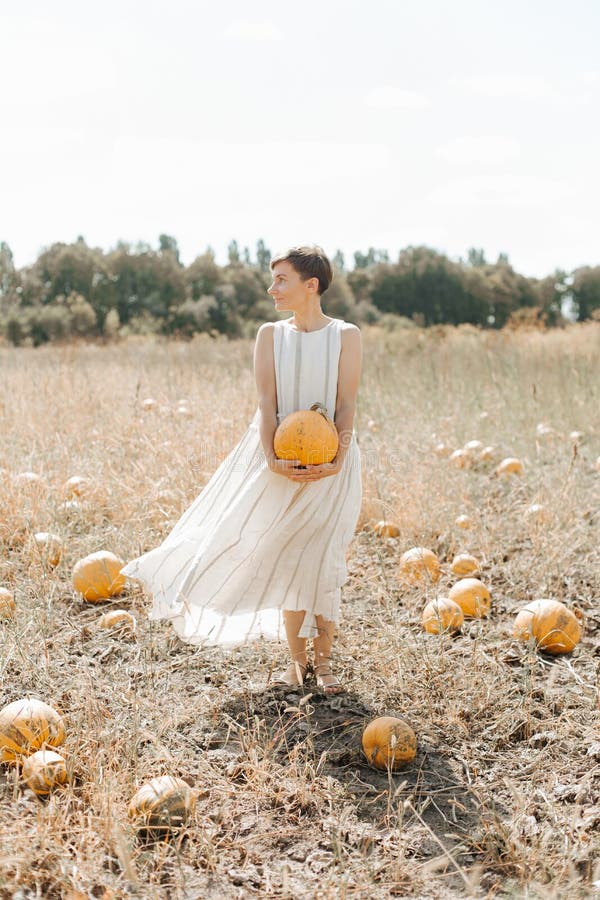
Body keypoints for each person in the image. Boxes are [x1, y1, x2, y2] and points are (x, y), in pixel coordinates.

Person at [120, 245, 362, 695]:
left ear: (311, 285)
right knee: (287, 553)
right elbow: (266, 405)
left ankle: (325, 664)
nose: (272, 289)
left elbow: (347, 405)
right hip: (276, 460)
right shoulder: (270, 335)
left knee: (323, 558)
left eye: (281, 280)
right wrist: (271, 459)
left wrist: (337, 461)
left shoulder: (346, 336)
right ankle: (295, 662)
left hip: (333, 464)